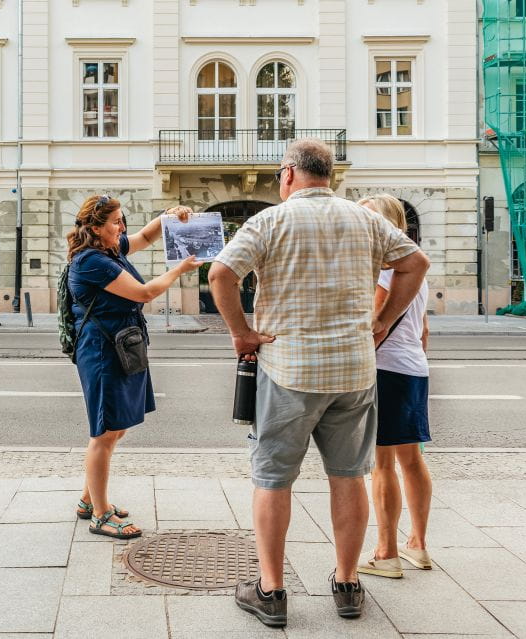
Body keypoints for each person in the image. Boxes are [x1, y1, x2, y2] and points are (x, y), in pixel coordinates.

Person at [208, 139, 430, 627]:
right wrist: (383, 323)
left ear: (288, 174)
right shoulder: (366, 219)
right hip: (353, 371)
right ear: (332, 175)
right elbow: (415, 264)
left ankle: (271, 591)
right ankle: (348, 584)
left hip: (288, 370)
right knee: (348, 474)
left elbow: (221, 273)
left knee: (273, 478)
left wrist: (242, 333)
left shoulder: (269, 220)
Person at [67, 195, 200, 539]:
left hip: (121, 345)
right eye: (115, 223)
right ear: (96, 228)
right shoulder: (92, 261)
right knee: (104, 432)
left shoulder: (110, 249)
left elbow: (144, 238)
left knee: (117, 427)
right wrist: (179, 270)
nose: (122, 228)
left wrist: (168, 217)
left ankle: (87, 499)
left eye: (122, 221)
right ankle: (99, 515)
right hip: (101, 350)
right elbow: (142, 294)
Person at [356, 194, 433, 578]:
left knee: (381, 464)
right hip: (414, 369)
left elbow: (376, 324)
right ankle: (417, 544)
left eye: (368, 218)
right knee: (412, 460)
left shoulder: (386, 268)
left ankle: (386, 552)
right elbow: (423, 331)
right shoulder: (414, 266)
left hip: (384, 370)